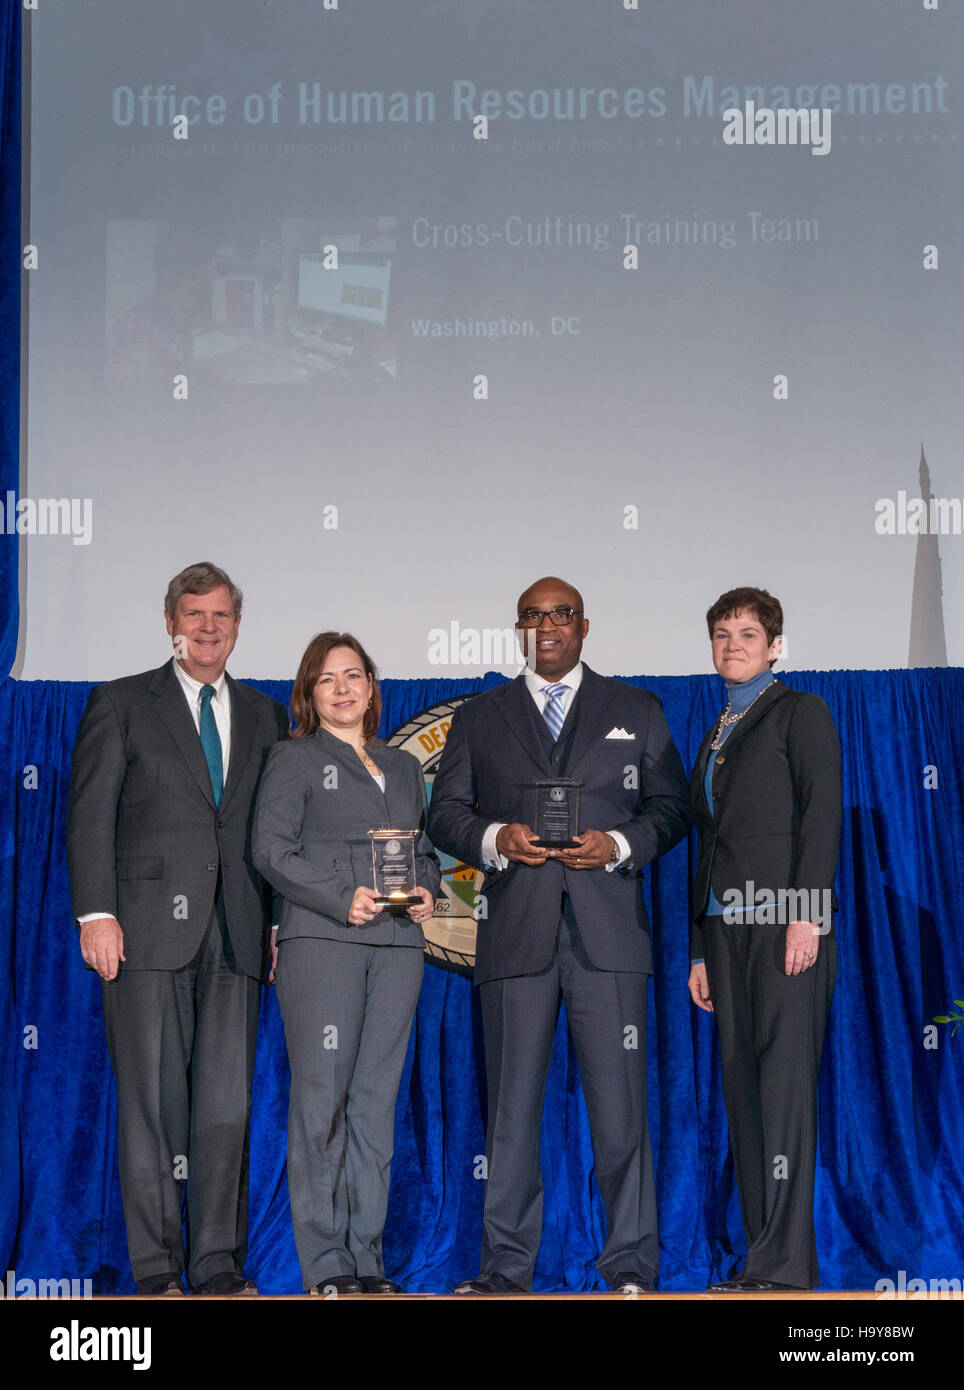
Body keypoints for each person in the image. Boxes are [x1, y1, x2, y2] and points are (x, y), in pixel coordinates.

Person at [427, 577, 690, 1295]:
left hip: (609, 938)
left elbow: (673, 808)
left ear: (583, 625)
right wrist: (493, 837)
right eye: (535, 616)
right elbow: (443, 814)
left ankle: (630, 1266)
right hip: (514, 934)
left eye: (561, 614)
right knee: (511, 1114)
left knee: (621, 1113)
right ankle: (506, 1271)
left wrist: (620, 843)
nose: (549, 627)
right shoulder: (482, 717)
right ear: (519, 627)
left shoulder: (636, 709)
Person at [65, 562, 288, 1296]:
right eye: (193, 614)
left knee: (226, 1110)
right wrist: (96, 914)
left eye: (220, 616)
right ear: (170, 622)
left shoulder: (264, 713)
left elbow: (273, 829)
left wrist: (279, 922)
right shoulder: (123, 702)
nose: (207, 628)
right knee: (151, 1111)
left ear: (236, 626)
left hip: (239, 934)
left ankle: (218, 1266)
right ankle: (159, 1271)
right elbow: (91, 815)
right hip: (144, 936)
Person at [252, 632, 440, 1296]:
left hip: (397, 951)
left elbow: (425, 854)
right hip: (323, 944)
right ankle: (326, 1265)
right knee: (321, 1105)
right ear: (309, 693)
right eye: (326, 678)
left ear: (370, 687)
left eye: (353, 675)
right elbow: (270, 850)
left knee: (375, 1107)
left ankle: (367, 1262)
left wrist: (427, 891)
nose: (342, 688)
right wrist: (340, 897)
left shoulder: (404, 765)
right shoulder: (293, 758)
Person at [688, 587, 841, 1292]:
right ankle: (759, 1261)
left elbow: (821, 818)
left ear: (775, 645)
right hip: (727, 932)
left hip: (786, 925)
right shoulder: (717, 730)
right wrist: (699, 947)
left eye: (747, 634)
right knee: (744, 1093)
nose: (733, 645)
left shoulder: (799, 714)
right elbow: (709, 845)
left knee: (781, 1092)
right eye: (722, 634)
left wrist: (807, 915)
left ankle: (786, 1269)